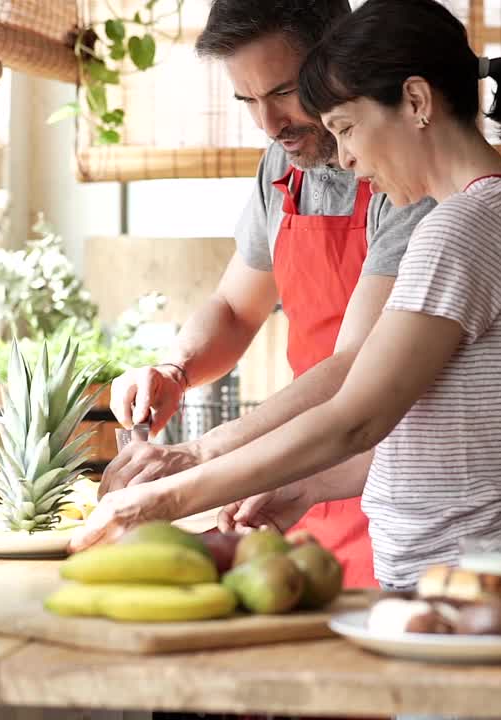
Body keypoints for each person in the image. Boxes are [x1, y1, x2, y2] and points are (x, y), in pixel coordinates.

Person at [72, 0, 501, 595]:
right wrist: (304, 487)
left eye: (348, 129)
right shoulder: (499, 210)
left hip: (479, 570)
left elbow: (356, 414)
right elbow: (433, 430)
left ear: (415, 102)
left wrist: (170, 491)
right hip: (474, 564)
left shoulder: (459, 225)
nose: (350, 161)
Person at [92, 0, 435, 588]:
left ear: (337, 57)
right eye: (247, 101)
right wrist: (175, 370)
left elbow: (352, 374)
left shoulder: (401, 177)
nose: (268, 124)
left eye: (282, 92)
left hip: (395, 486)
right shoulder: (281, 167)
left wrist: (197, 459)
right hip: (301, 489)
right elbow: (233, 308)